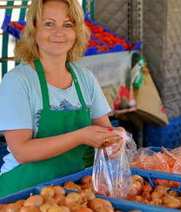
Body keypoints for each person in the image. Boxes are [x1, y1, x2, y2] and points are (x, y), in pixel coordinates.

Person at [0, 0, 124, 197]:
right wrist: (81, 136)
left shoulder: (85, 79)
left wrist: (115, 140)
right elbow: (22, 151)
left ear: (77, 32)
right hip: (23, 193)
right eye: (49, 23)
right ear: (34, 29)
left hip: (75, 191)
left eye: (68, 24)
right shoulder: (18, 82)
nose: (59, 32)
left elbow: (105, 131)